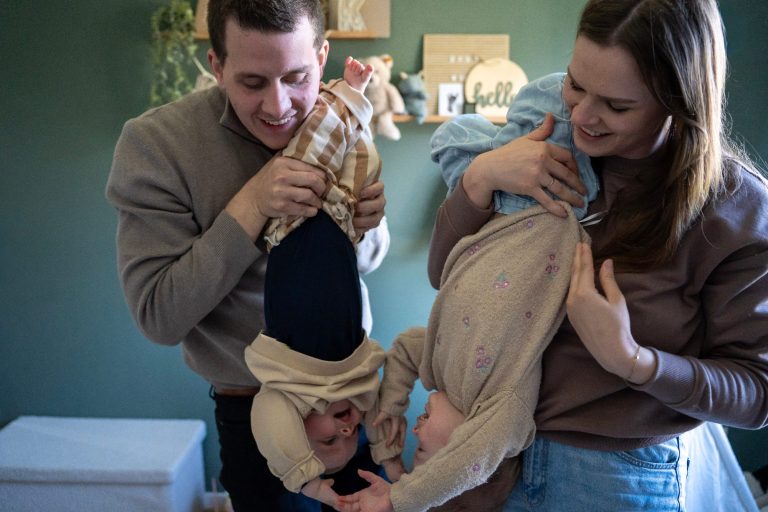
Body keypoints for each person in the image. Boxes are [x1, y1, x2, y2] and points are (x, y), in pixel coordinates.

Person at [425, 0, 767, 511]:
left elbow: (758, 393)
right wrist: (480, 179)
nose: (582, 116)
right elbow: (443, 277)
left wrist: (633, 361)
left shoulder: (735, 210)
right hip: (489, 457)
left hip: (614, 479)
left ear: (679, 102)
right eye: (575, 83)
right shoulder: (539, 144)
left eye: (617, 105)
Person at [105, 0, 387, 510]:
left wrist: (366, 226)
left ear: (322, 57)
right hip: (260, 413)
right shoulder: (155, 146)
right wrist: (253, 203)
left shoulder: (340, 116)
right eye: (253, 83)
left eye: (298, 77)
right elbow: (158, 317)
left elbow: (367, 262)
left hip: (360, 393)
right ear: (217, 66)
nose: (279, 107)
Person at [337, 73, 599, 512]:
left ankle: (493, 150)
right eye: (423, 452)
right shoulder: (504, 413)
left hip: (495, 208)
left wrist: (387, 441)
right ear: (466, 453)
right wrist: (401, 499)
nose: (416, 433)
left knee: (450, 137)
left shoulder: (442, 374)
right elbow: (468, 467)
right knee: (551, 97)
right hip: (553, 199)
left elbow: (403, 350)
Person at [243, 54, 403, 508]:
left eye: (331, 441)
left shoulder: (287, 395)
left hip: (291, 231)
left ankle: (347, 97)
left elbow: (276, 436)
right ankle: (353, 115)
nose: (348, 430)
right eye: (353, 439)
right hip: (341, 229)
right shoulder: (360, 388)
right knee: (360, 161)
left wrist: (310, 485)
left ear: (297, 435)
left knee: (309, 161)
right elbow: (384, 414)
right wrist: (390, 461)